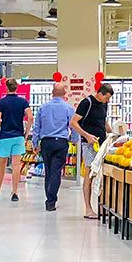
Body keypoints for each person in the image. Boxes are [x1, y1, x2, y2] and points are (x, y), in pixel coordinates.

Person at [71, 83, 113, 220]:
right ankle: (88, 209)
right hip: (89, 145)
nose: (107, 101)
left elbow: (103, 121)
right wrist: (87, 135)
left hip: (102, 144)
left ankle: (102, 207)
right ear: (100, 93)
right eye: (106, 98)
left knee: (101, 175)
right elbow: (73, 122)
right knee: (89, 174)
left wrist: (112, 132)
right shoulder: (86, 103)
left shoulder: (104, 104)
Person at [33, 83, 76, 212]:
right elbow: (73, 126)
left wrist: (35, 142)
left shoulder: (43, 107)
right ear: (64, 93)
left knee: (48, 171)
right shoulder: (68, 108)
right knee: (56, 171)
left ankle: (49, 197)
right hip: (61, 143)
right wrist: (74, 140)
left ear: (52, 92)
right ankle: (51, 201)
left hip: (46, 142)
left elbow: (37, 127)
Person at [0, 79, 30, 202]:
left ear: (6, 88)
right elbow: (30, 117)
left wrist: (3, 126)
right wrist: (26, 132)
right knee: (16, 165)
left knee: (1, 165)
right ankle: (15, 192)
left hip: (5, 137)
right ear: (16, 88)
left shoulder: (1, 102)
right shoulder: (23, 102)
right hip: (18, 136)